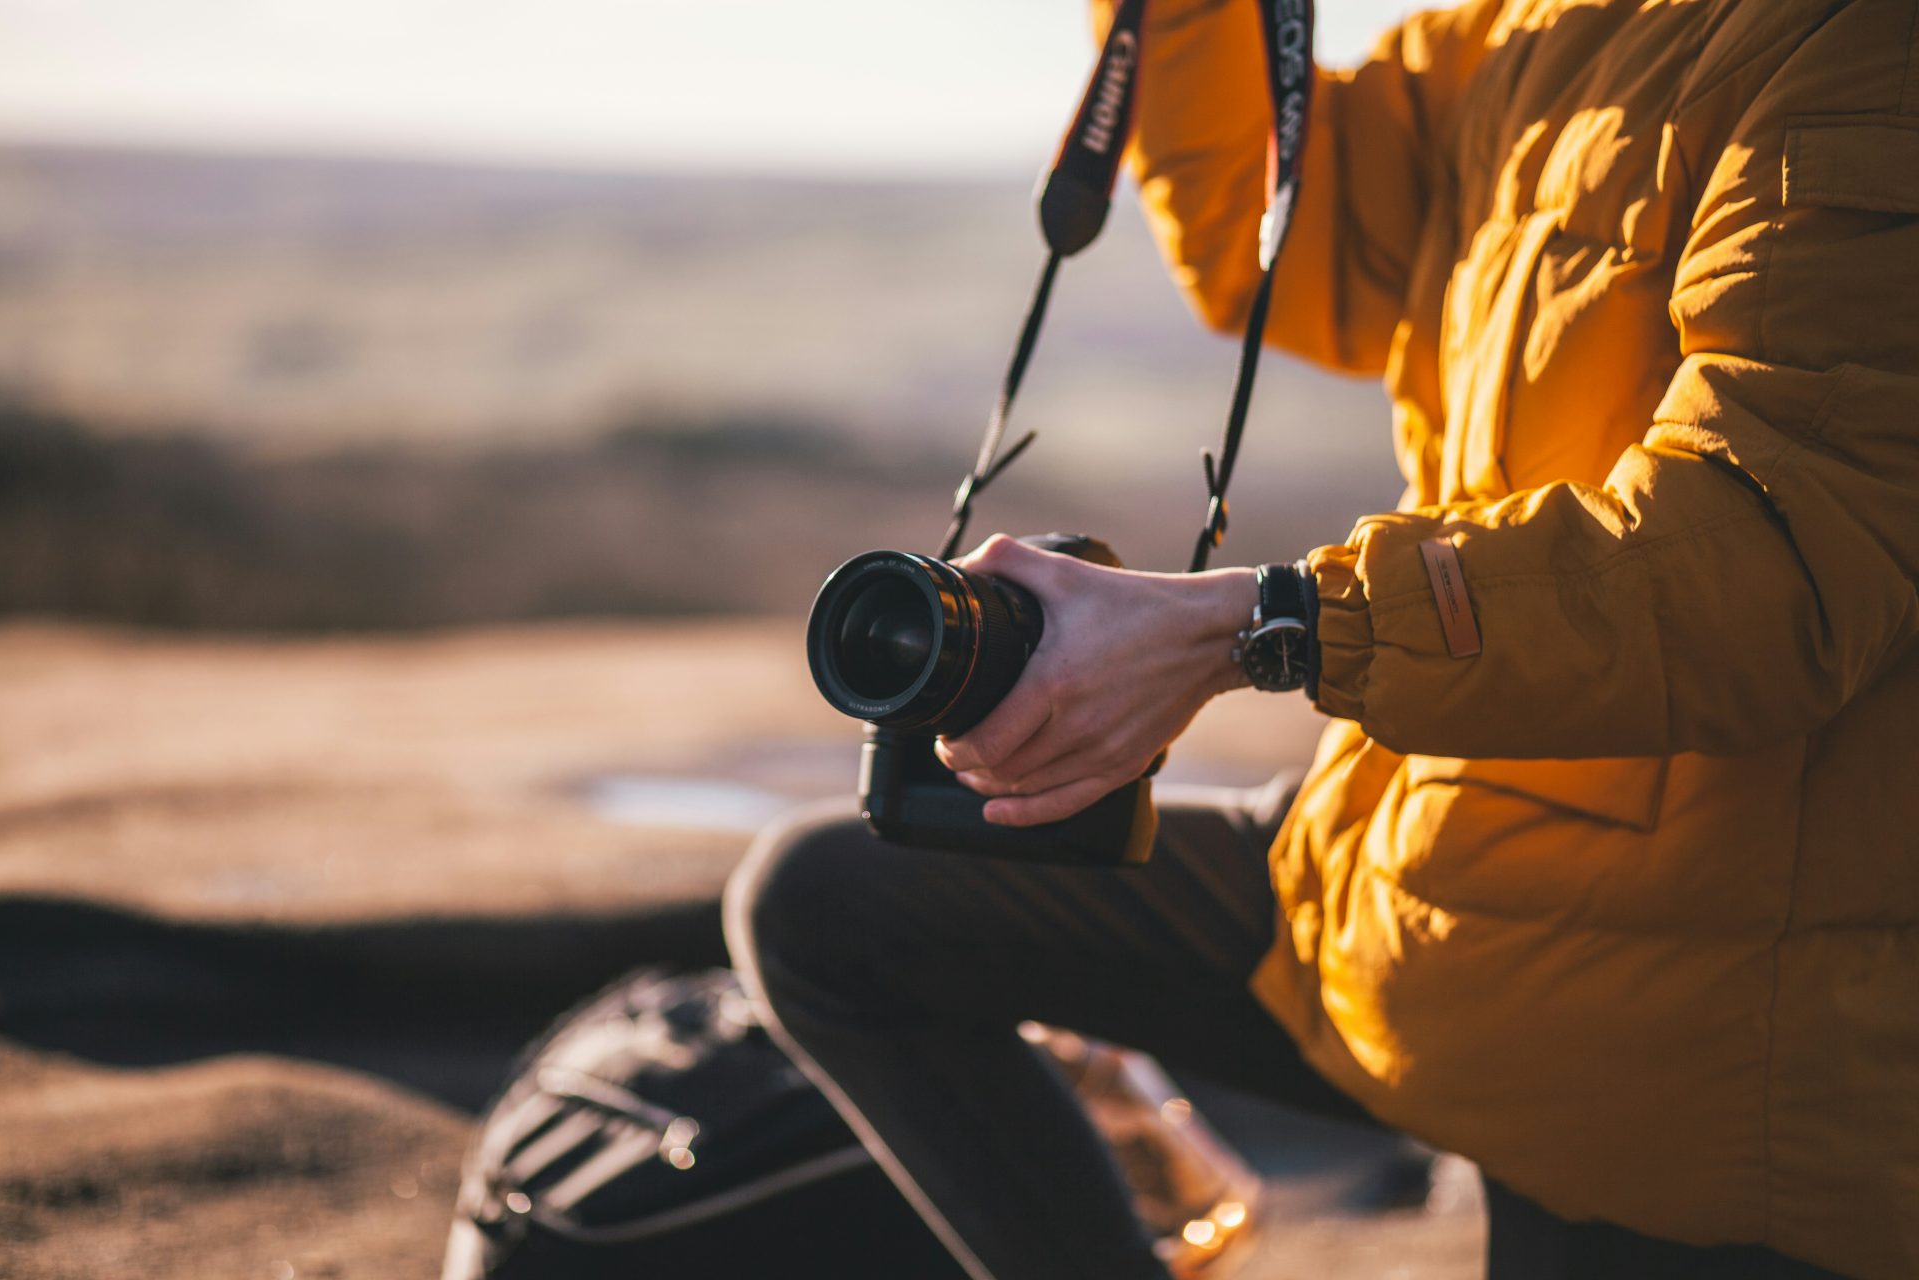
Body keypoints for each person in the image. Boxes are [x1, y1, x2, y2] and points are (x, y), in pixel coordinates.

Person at [726, 0, 1919, 1276]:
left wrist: (1264, 625)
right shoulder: (1538, 30)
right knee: (834, 910)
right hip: (1426, 879)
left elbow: (1764, 566)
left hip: (1697, 1022)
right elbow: (1288, 250)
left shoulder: (1852, 49)